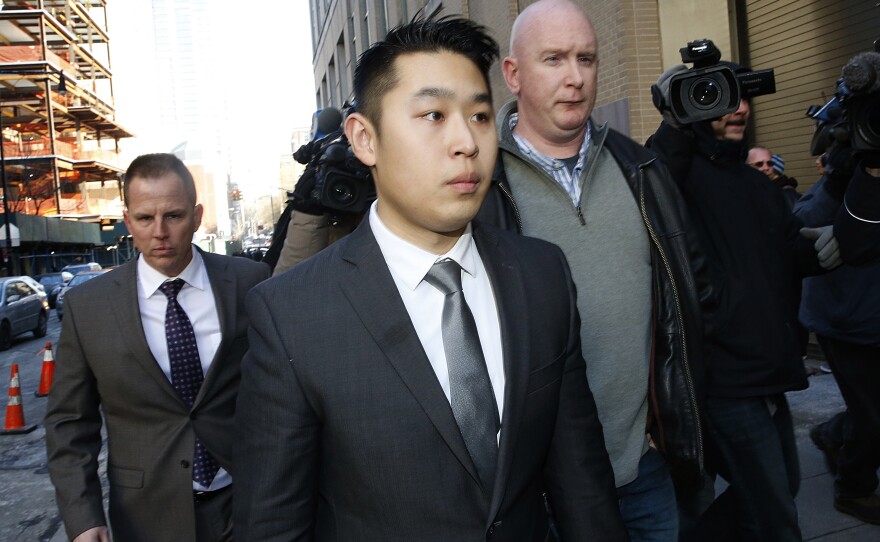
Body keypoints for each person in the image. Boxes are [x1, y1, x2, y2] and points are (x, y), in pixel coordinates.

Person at [233, 14, 626, 542]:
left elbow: (582, 480)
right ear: (364, 139)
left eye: (481, 117)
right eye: (434, 115)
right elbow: (274, 524)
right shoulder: (291, 315)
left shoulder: (541, 273)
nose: (466, 142)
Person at [476, 1, 710, 540]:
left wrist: (668, 424)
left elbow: (689, 299)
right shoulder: (480, 186)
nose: (575, 78)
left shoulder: (641, 169)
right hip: (537, 490)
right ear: (513, 74)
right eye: (553, 59)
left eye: (586, 58)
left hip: (643, 469)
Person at [649, 65, 839, 541]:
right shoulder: (679, 177)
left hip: (767, 372)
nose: (737, 109)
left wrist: (841, 233)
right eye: (716, 98)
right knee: (774, 515)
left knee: (780, 489)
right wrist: (675, 123)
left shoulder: (759, 186)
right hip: (721, 379)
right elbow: (652, 183)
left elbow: (792, 254)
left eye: (741, 97)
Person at [45, 153, 270, 542]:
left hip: (248, 502)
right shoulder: (88, 307)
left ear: (197, 217)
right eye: (146, 218)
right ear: (128, 220)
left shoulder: (250, 282)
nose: (160, 232)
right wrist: (83, 517)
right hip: (146, 516)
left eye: (174, 216)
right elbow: (69, 423)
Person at [794, 157, 880, 525]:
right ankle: (854, 488)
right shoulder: (841, 183)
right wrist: (842, 176)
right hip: (846, 323)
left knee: (870, 410)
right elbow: (802, 221)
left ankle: (832, 433)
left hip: (870, 316)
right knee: (873, 416)